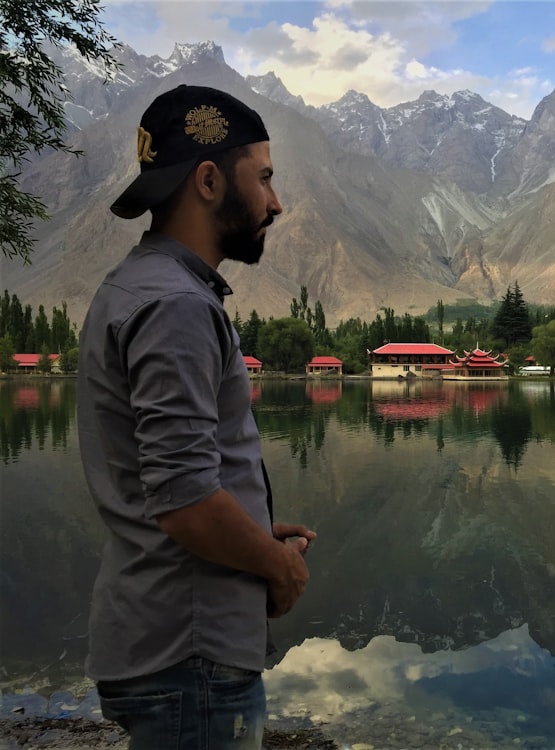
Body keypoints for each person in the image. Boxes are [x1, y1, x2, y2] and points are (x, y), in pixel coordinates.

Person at [77, 84, 316, 749]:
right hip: (192, 655)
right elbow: (183, 501)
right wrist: (276, 564)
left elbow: (173, 478)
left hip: (167, 644)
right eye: (263, 178)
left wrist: (254, 527)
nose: (275, 202)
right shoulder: (175, 304)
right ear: (209, 181)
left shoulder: (144, 284)